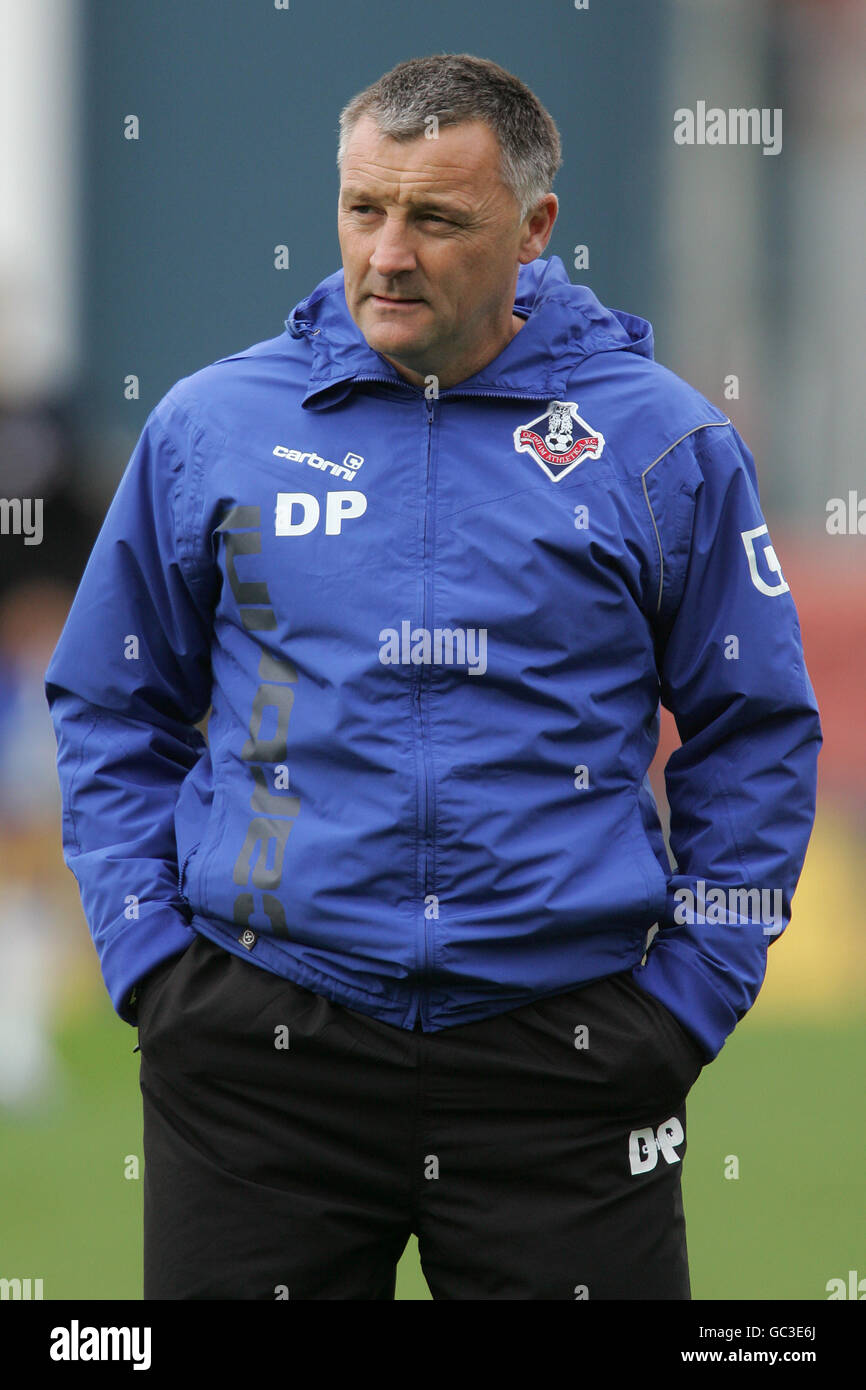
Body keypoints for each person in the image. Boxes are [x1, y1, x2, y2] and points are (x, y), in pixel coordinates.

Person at [45, 53, 821, 1300]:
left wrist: (690, 996)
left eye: (436, 219)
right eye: (364, 210)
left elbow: (758, 728)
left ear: (531, 229)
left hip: (563, 1065)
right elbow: (108, 699)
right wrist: (150, 959)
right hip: (261, 1054)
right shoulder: (209, 426)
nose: (387, 254)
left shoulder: (660, 439)